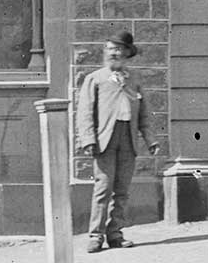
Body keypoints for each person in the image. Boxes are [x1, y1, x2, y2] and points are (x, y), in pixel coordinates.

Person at [74, 30, 160, 254]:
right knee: (103, 188)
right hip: (105, 140)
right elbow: (84, 112)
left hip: (127, 139)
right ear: (105, 52)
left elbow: (144, 114)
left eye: (119, 50)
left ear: (127, 54)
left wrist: (150, 139)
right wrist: (88, 139)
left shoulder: (135, 80)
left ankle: (115, 234)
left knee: (122, 190)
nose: (115, 54)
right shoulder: (95, 79)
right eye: (111, 49)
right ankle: (95, 236)